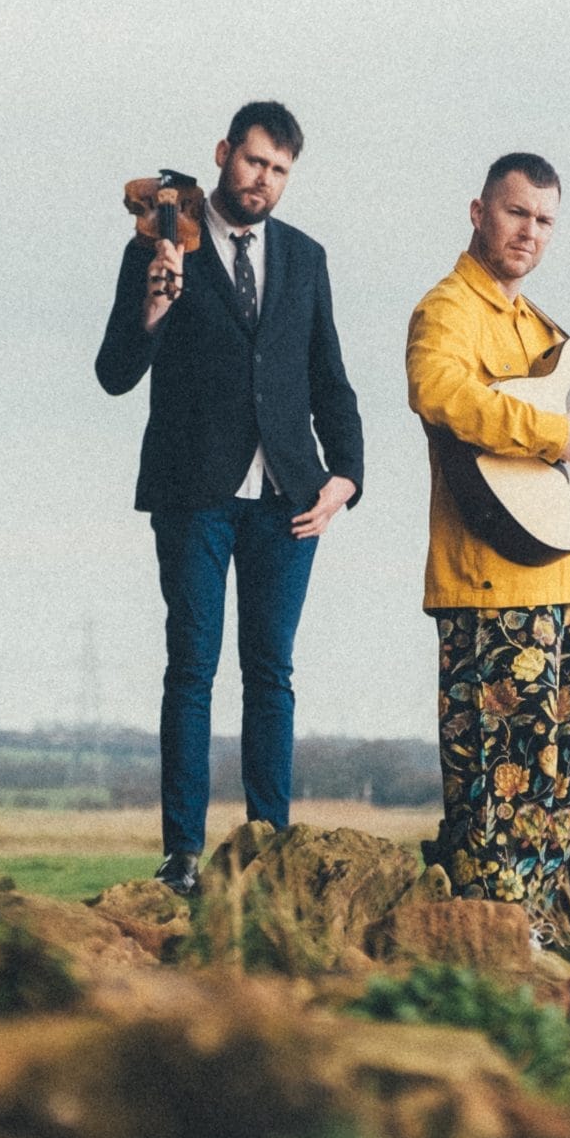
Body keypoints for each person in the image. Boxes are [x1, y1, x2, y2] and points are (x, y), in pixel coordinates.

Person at [96, 101, 365, 896]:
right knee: (192, 667)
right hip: (194, 491)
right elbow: (114, 371)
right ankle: (182, 856)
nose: (264, 181)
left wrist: (346, 476)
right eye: (253, 162)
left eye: (279, 170)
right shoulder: (157, 244)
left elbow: (330, 379)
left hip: (290, 497)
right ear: (222, 154)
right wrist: (155, 305)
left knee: (271, 672)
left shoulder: (306, 258)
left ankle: (269, 849)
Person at [407, 153, 570, 936]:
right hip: (487, 582)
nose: (530, 231)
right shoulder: (447, 309)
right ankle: (478, 942)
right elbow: (439, 392)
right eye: (517, 212)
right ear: (478, 211)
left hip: (563, 581)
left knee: (558, 778)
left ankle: (532, 933)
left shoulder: (546, 330)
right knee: (493, 787)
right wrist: (544, 431)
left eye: (545, 220)